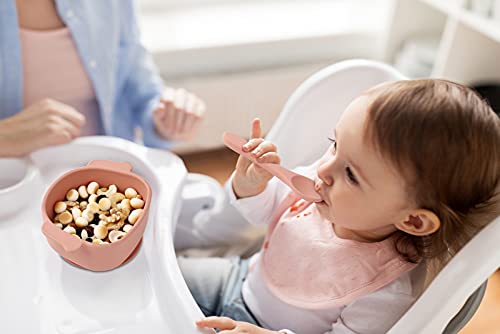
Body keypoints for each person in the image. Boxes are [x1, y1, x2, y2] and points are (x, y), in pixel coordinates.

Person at [178, 79, 500, 334]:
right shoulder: (320, 187)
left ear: (413, 221)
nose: (322, 170)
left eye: (350, 174)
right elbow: (262, 213)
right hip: (238, 279)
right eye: (334, 145)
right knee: (158, 272)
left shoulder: (384, 290)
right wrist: (251, 186)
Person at [0, 0, 205, 157]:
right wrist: (5, 136)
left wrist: (167, 120)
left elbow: (142, 95)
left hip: (110, 184)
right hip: (13, 192)